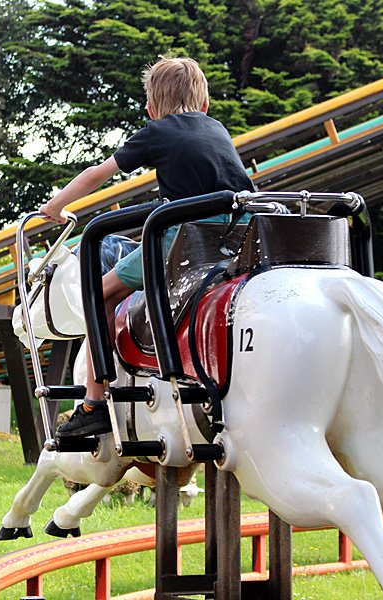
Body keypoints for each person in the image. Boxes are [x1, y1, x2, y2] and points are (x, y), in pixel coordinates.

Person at [39, 56, 255, 438]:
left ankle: (93, 402)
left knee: (98, 293)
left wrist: (55, 206)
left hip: (185, 238)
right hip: (240, 234)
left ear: (151, 108)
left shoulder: (157, 131)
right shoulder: (217, 128)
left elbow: (97, 174)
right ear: (205, 104)